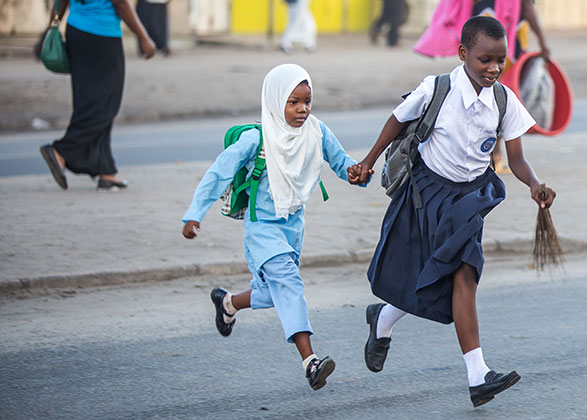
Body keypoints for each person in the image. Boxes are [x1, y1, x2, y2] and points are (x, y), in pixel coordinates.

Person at [352, 16, 556, 407]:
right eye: (485, 60)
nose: (494, 68)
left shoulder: (503, 100)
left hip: (470, 198)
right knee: (433, 273)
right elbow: (397, 121)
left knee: (464, 272)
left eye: (500, 60)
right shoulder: (437, 89)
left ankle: (478, 376)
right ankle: (384, 319)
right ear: (463, 54)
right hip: (426, 192)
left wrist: (534, 185)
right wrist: (368, 161)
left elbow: (516, 158)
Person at [181, 64, 368, 390]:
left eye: (307, 101)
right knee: (289, 283)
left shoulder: (317, 131)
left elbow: (341, 162)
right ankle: (310, 362)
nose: (302, 109)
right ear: (275, 100)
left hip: (293, 225)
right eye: (293, 102)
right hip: (262, 228)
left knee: (273, 293)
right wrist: (195, 212)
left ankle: (227, 302)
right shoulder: (257, 138)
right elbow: (219, 172)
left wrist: (356, 172)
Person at [414, 0, 551, 173]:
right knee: (496, 101)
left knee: (494, 101)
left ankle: (492, 153)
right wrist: (543, 43)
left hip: (494, 46)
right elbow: (528, 9)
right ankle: (494, 154)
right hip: (503, 47)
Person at [38, 0, 156, 191]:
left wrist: (50, 29)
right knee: (106, 103)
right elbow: (120, 3)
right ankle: (61, 150)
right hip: (103, 36)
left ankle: (105, 170)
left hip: (77, 32)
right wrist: (144, 38)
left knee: (89, 100)